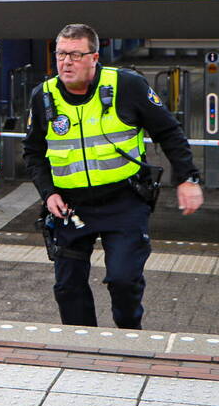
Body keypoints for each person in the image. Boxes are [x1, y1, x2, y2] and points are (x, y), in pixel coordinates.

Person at [22, 23, 203, 329]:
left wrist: (187, 179)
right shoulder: (44, 96)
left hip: (123, 202)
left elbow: (169, 131)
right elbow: (33, 152)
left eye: (76, 55)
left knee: (123, 280)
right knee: (67, 287)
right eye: (61, 54)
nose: (66, 62)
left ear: (94, 57)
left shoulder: (126, 86)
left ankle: (129, 335)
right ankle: (83, 346)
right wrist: (48, 193)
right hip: (71, 206)